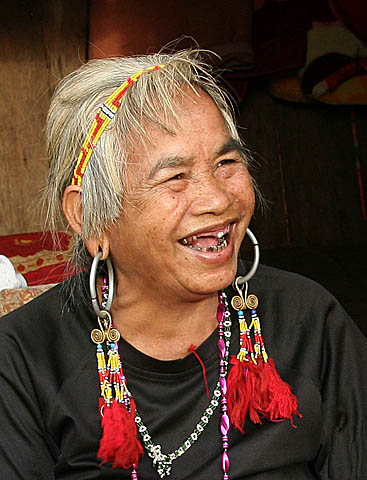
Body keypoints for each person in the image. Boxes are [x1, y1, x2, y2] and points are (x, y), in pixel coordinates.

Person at [0, 49, 366, 480]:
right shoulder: (23, 359)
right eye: (175, 176)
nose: (218, 199)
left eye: (227, 163)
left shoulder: (309, 320)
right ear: (89, 216)